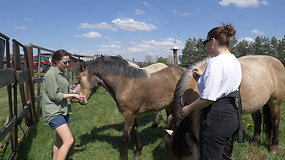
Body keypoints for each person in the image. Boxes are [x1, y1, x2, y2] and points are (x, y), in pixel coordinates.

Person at [181, 24, 242, 160]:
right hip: (232, 115)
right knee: (225, 156)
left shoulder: (215, 63)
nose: (205, 46)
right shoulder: (234, 60)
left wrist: (188, 108)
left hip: (216, 118)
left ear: (213, 41)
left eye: (205, 42)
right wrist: (203, 77)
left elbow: (208, 98)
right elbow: (224, 85)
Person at [42, 49, 85, 160]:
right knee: (69, 140)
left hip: (62, 110)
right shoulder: (51, 75)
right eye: (64, 62)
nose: (67, 65)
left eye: (68, 62)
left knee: (59, 141)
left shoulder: (60, 74)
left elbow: (64, 93)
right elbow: (55, 96)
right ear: (56, 61)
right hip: (54, 112)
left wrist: (75, 97)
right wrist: (72, 96)